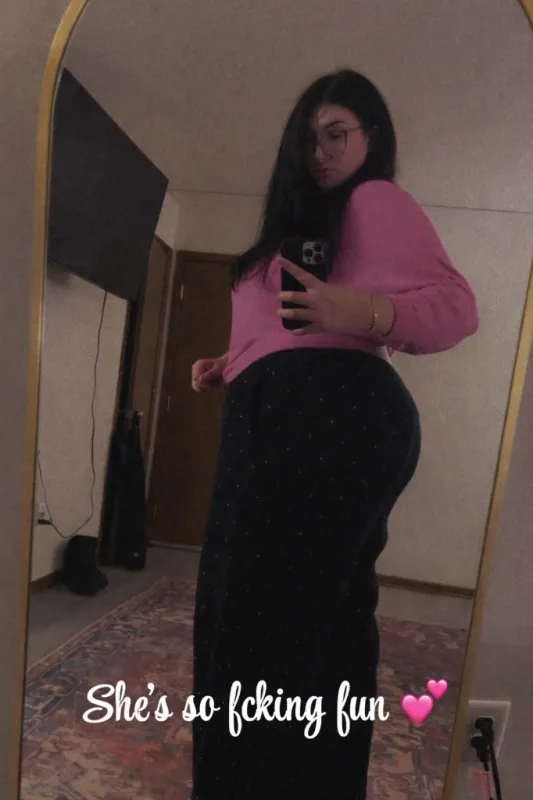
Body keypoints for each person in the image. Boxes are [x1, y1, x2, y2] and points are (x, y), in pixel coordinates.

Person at [189, 69, 479, 799]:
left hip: (332, 415)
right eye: (308, 136)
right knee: (298, 615)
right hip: (277, 414)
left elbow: (456, 309)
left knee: (265, 623)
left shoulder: (374, 200)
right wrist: (230, 363)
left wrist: (360, 310)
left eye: (336, 133)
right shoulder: (293, 228)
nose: (319, 150)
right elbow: (280, 333)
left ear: (370, 138)